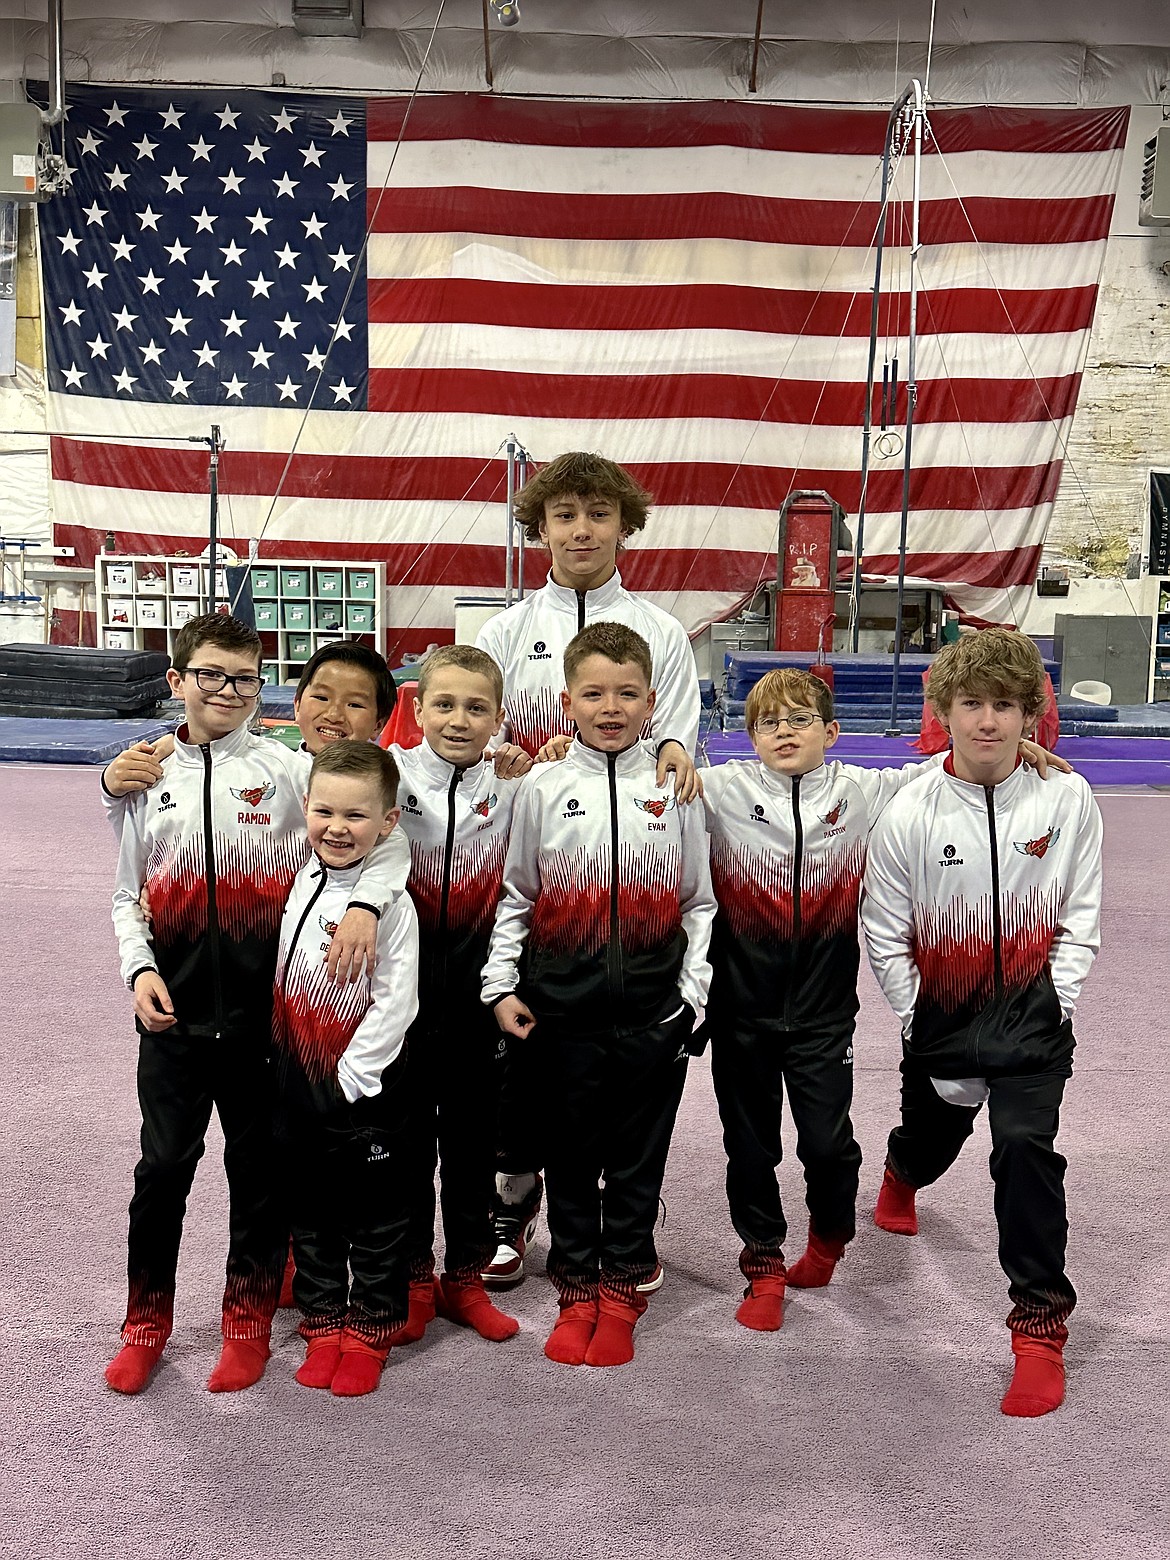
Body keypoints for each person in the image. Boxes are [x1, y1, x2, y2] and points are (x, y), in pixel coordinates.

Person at [701, 667, 1065, 1332]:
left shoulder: (867, 794)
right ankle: (762, 1264)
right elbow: (646, 776)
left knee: (828, 1146)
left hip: (824, 1016)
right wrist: (557, 750)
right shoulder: (718, 790)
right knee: (750, 1149)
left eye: (800, 720)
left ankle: (828, 1237)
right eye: (768, 723)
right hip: (739, 1015)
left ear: (832, 732)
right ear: (746, 736)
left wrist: (1018, 751)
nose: (784, 732)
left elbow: (945, 771)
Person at [103, 616, 398, 1396]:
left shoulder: (291, 770)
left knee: (257, 1174)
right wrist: (138, 970)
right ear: (177, 682)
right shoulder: (147, 773)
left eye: (244, 678)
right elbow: (128, 894)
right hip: (172, 1019)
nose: (228, 691)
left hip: (266, 1028)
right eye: (211, 675)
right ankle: (145, 1322)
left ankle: (247, 1321)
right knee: (162, 1169)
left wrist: (366, 904)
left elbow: (380, 830)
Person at [475, 450, 703, 1285]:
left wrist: (672, 743)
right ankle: (510, 1200)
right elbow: (476, 736)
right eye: (564, 514)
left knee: (595, 1075)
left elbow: (675, 742)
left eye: (598, 514)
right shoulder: (502, 633)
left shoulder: (663, 633)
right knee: (515, 1071)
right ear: (538, 525)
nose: (581, 530)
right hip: (521, 867)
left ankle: (615, 1215)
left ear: (624, 525)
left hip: (621, 878)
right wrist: (527, 760)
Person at [862, 628, 1102, 1418]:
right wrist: (917, 1017)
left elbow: (1082, 914)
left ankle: (1038, 1330)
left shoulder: (1066, 797)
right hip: (944, 1022)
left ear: (1030, 715)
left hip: (1034, 1021)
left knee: (1027, 1150)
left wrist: (1053, 1002)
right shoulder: (909, 810)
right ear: (945, 712)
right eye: (972, 704)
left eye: (1005, 705)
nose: (989, 722)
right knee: (934, 1141)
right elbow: (885, 930)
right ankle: (902, 1175)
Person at [483, 622, 715, 1368]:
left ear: (653, 701)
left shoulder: (676, 786)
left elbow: (699, 903)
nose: (609, 707)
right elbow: (516, 895)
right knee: (573, 1156)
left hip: (654, 1011)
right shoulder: (543, 787)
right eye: (593, 693)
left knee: (637, 1160)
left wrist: (693, 997)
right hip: (562, 1010)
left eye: (626, 694)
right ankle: (575, 1287)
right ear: (565, 701)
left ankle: (621, 1292)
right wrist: (499, 984)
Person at [386, 645, 528, 1346]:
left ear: (499, 718)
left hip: (477, 1007)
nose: (459, 719)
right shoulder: (389, 777)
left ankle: (464, 1279)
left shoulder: (516, 787)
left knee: (472, 1151)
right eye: (444, 704)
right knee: (406, 1150)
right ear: (416, 709)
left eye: (477, 708)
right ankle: (413, 1277)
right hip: (400, 1010)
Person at [272, 740, 419, 1398]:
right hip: (297, 1083)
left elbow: (396, 1003)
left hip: (362, 1097)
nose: (337, 827)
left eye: (357, 817)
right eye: (325, 811)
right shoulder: (302, 877)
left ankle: (372, 1327)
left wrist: (353, 1081)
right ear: (305, 808)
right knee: (312, 1213)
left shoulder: (390, 906)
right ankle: (324, 1318)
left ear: (388, 824)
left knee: (375, 1220)